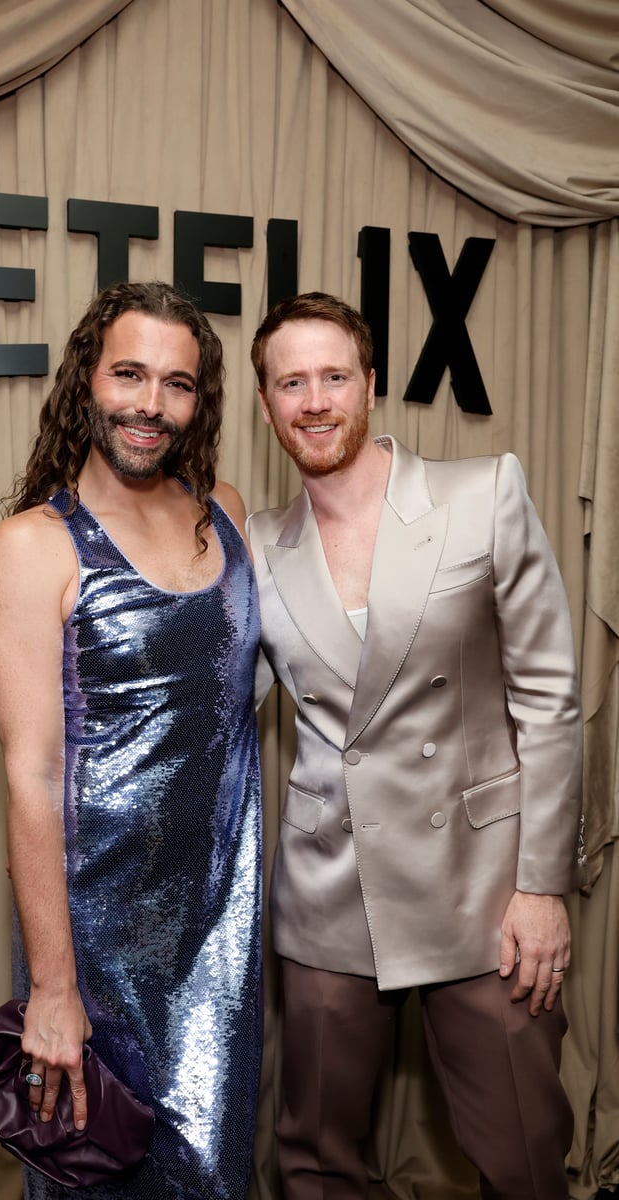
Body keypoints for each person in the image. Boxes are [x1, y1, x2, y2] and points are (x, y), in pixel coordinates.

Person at [247, 292, 583, 1200]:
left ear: (369, 383)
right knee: (315, 1162)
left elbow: (550, 697)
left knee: (520, 1154)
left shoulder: (481, 493)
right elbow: (215, 711)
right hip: (326, 889)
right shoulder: (255, 547)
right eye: (290, 383)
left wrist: (542, 886)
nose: (313, 400)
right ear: (267, 402)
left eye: (332, 376)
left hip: (483, 888)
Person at [0, 281, 262, 1200]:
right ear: (86, 381)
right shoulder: (33, 545)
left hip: (221, 919)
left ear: (198, 400)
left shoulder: (224, 507)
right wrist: (53, 989)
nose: (150, 404)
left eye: (176, 384)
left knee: (213, 1171)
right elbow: (29, 776)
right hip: (96, 938)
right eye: (129, 374)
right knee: (97, 1176)